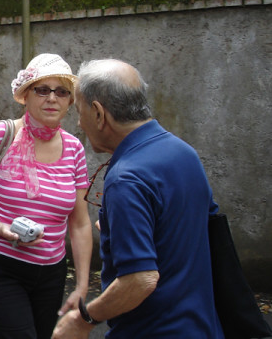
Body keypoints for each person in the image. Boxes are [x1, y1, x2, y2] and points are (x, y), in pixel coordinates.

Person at [52, 59, 224, 338]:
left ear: (98, 113)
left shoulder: (125, 179)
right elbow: (185, 230)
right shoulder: (183, 152)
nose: (79, 123)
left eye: (79, 111)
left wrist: (83, 320)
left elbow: (140, 280)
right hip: (203, 327)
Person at [0, 53, 93, 339]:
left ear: (69, 102)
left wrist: (82, 285)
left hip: (51, 272)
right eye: (42, 89)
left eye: (61, 91)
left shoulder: (75, 149)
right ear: (25, 95)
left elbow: (80, 222)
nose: (52, 98)